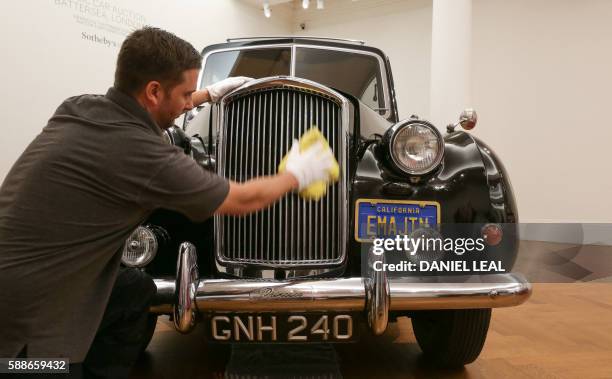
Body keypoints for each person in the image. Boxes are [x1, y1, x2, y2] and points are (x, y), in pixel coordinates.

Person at [0, 27, 334, 378]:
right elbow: (242, 200)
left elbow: (147, 119)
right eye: (186, 94)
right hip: (27, 315)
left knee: (133, 289)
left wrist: (208, 94)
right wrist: (297, 172)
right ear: (154, 91)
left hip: (20, 273)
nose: (190, 103)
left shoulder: (78, 107)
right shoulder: (142, 155)